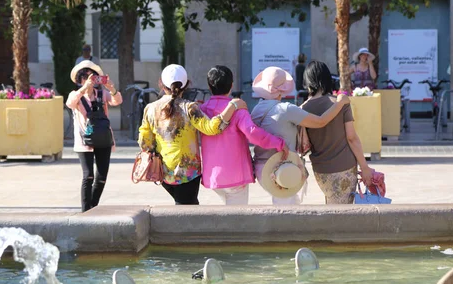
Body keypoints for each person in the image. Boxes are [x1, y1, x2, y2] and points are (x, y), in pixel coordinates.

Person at [138, 64, 247, 205]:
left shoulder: (150, 109)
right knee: (187, 212)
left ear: (161, 83)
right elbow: (211, 128)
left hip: (163, 172)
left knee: (183, 206)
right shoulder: (189, 108)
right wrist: (232, 106)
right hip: (188, 173)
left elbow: (144, 142)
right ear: (186, 84)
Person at [251, 66, 350, 205]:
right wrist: (340, 103)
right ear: (283, 89)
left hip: (261, 168)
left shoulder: (257, 109)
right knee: (285, 213)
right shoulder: (285, 109)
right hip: (281, 169)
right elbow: (321, 121)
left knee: (292, 204)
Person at [200, 66, 288, 205]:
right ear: (231, 86)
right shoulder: (238, 109)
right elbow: (253, 134)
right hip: (235, 176)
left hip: (212, 176)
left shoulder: (202, 110)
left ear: (209, 86)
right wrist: (279, 143)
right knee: (237, 221)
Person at [301, 60, 372, 204]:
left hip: (320, 170)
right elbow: (352, 138)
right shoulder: (341, 102)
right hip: (345, 167)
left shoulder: (302, 109)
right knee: (343, 214)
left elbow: (304, 144)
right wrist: (365, 167)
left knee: (332, 205)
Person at [66, 61, 122, 212]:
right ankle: (85, 210)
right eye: (85, 76)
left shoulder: (102, 94)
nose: (90, 79)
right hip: (84, 141)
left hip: (103, 139)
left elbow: (117, 101)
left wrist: (111, 87)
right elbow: (70, 103)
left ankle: (93, 207)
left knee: (102, 177)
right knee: (88, 175)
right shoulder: (75, 95)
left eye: (93, 76)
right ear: (80, 79)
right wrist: (85, 88)